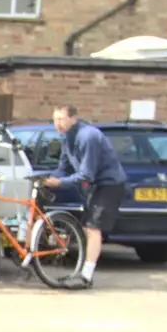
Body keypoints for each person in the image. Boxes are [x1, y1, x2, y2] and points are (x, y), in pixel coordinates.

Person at [44, 103, 126, 289]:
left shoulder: (88, 137)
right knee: (86, 227)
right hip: (94, 186)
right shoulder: (67, 138)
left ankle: (86, 277)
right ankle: (81, 271)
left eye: (62, 119)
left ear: (74, 118)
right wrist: (47, 178)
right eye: (55, 120)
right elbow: (64, 167)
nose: (58, 124)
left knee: (93, 228)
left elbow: (86, 174)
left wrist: (59, 183)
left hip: (109, 184)